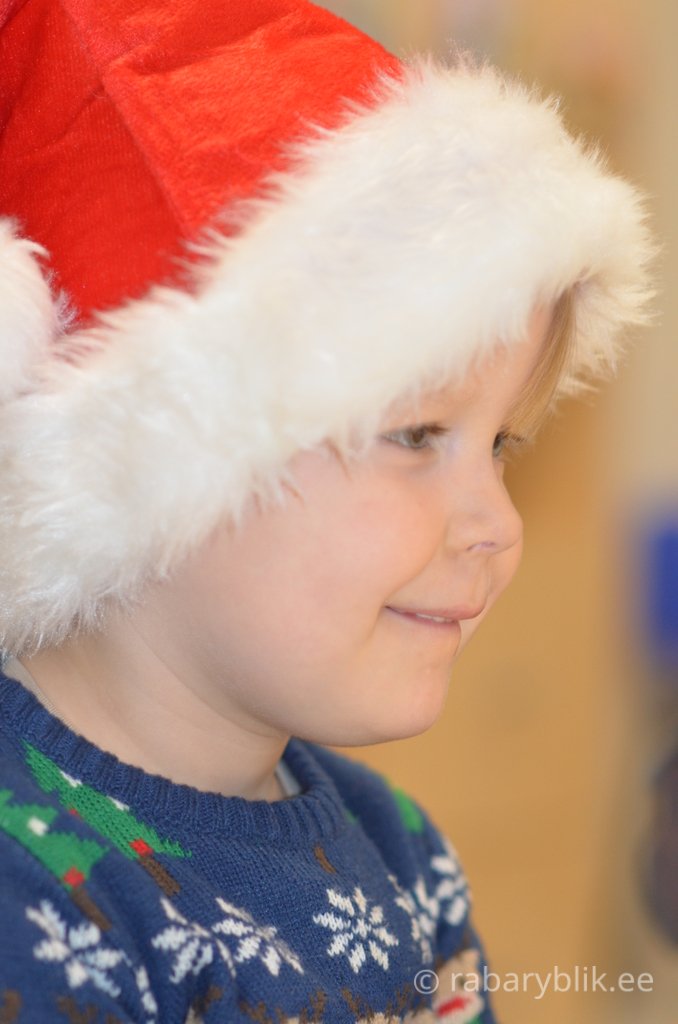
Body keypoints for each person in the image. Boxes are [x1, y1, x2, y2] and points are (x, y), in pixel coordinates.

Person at [0, 0, 653, 1021]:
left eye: (501, 446)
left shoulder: (397, 846)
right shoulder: (34, 896)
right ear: (164, 454)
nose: (499, 525)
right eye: (417, 435)